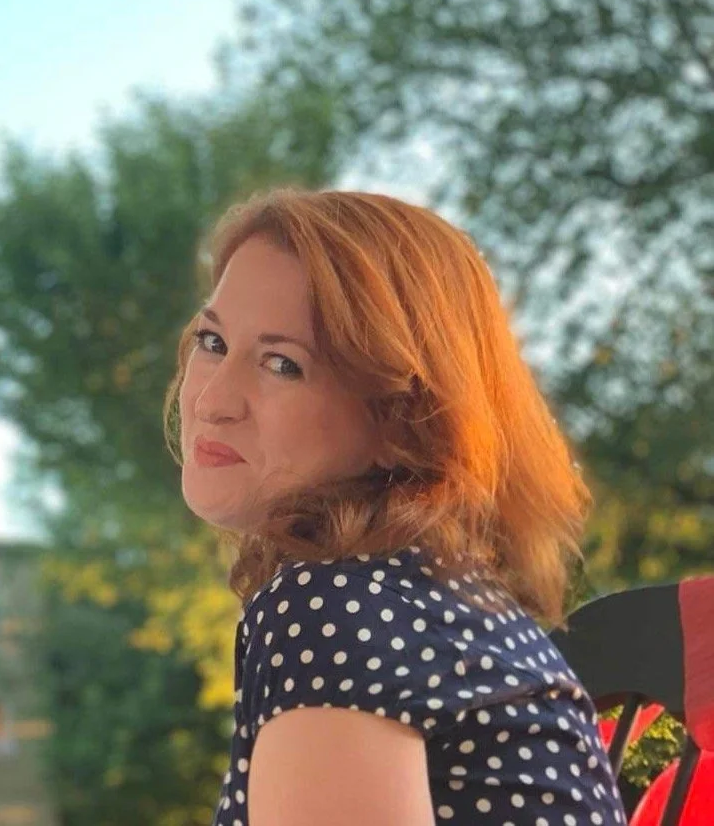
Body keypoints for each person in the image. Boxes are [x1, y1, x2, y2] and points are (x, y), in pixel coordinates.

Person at [163, 188, 627, 825]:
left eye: (280, 363)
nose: (212, 399)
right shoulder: (440, 602)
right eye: (212, 342)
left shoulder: (330, 608)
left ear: (401, 422)